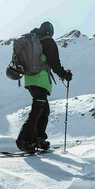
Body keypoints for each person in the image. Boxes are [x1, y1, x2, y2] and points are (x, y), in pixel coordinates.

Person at [15, 21, 72, 152]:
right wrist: (65, 74)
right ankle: (24, 141)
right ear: (50, 32)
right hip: (40, 80)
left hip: (30, 80)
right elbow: (54, 63)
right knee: (37, 111)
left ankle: (39, 139)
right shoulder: (48, 42)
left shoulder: (33, 41)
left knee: (43, 110)